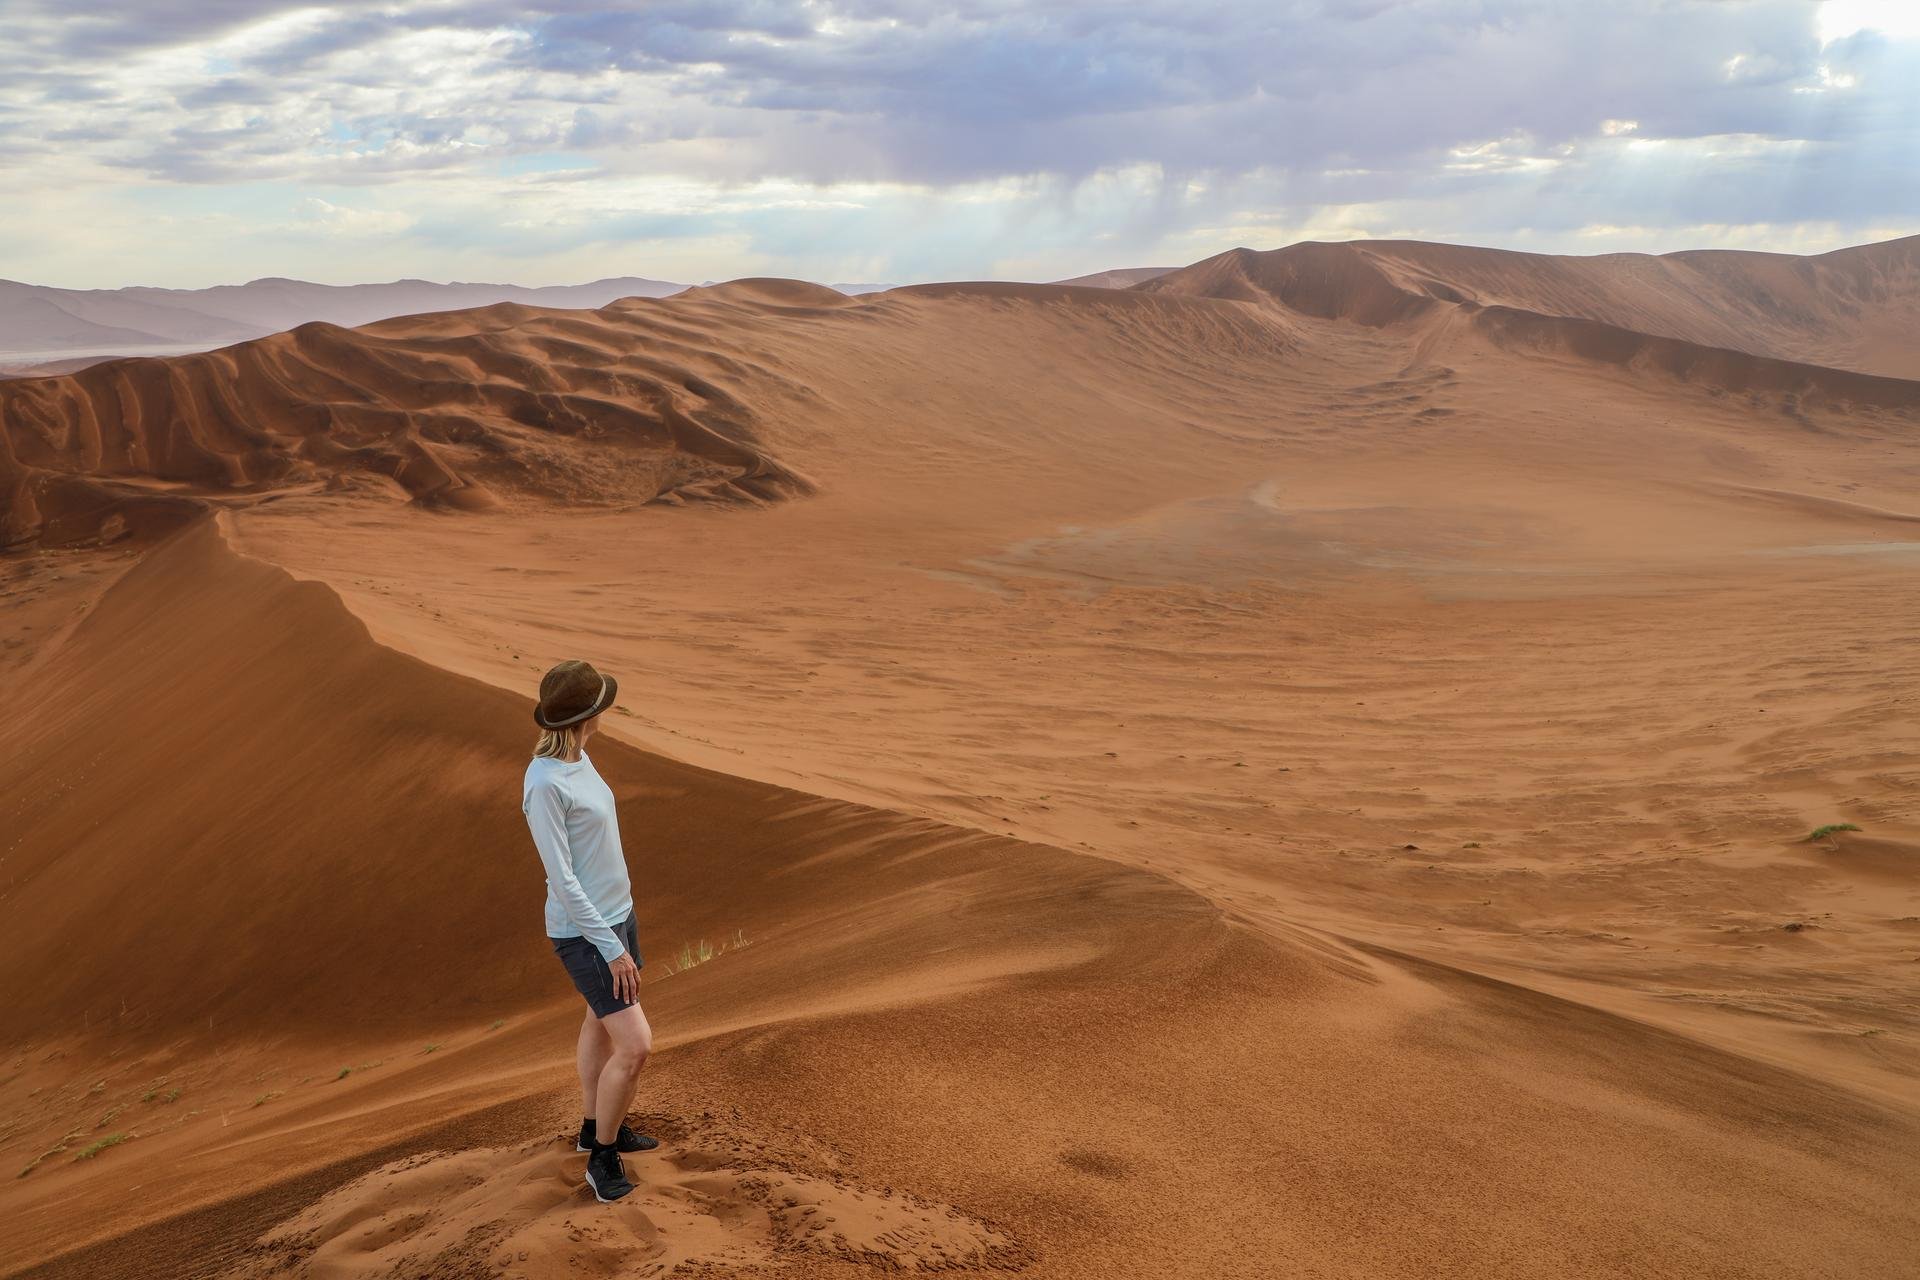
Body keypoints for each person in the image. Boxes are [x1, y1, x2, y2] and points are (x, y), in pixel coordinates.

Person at [522, 658, 658, 1204]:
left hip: (618, 915)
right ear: (588, 715)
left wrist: (620, 926)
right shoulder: (545, 784)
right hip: (587, 933)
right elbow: (563, 878)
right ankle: (602, 1158)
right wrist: (612, 949)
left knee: (598, 1023)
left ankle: (593, 1125)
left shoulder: (579, 758)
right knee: (637, 1045)